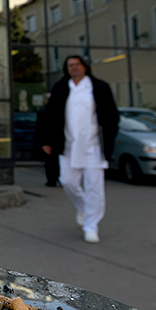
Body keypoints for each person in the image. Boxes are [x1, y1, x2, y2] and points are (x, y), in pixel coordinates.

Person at [40, 55, 118, 243]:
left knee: (94, 187)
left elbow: (112, 116)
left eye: (77, 64)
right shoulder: (61, 88)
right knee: (67, 181)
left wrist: (109, 139)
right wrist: (46, 140)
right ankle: (84, 207)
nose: (73, 68)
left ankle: (91, 226)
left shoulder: (99, 87)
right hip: (67, 144)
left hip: (93, 146)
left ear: (85, 66)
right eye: (70, 65)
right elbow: (49, 116)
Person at [34, 94, 60, 187]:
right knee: (56, 161)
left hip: (48, 140)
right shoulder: (59, 111)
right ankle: (57, 178)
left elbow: (40, 128)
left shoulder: (43, 112)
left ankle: (52, 180)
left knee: (49, 162)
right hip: (57, 140)